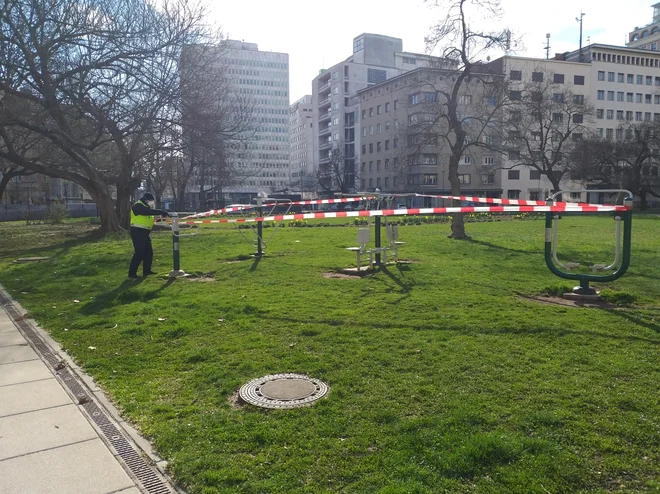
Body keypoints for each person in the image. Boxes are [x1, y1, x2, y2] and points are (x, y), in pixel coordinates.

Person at [128, 192, 169, 279]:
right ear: (146, 200)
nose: (152, 202)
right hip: (138, 231)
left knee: (148, 252)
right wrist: (161, 212)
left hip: (145, 232)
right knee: (139, 252)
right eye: (151, 201)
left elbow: (148, 218)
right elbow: (147, 212)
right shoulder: (138, 206)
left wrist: (160, 220)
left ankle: (147, 270)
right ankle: (132, 273)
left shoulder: (146, 206)